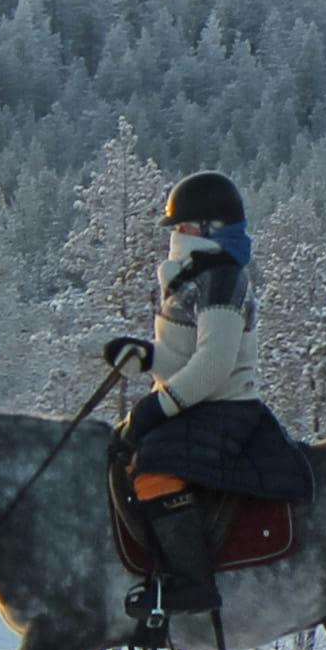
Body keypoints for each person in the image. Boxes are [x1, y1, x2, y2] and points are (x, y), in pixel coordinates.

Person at [105, 173, 275, 600]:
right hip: (201, 403)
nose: (177, 235)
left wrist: (155, 408)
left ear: (211, 229)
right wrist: (147, 356)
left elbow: (214, 366)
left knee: (154, 470)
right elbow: (185, 358)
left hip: (225, 408)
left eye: (185, 226)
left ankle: (194, 585)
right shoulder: (194, 275)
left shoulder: (222, 278)